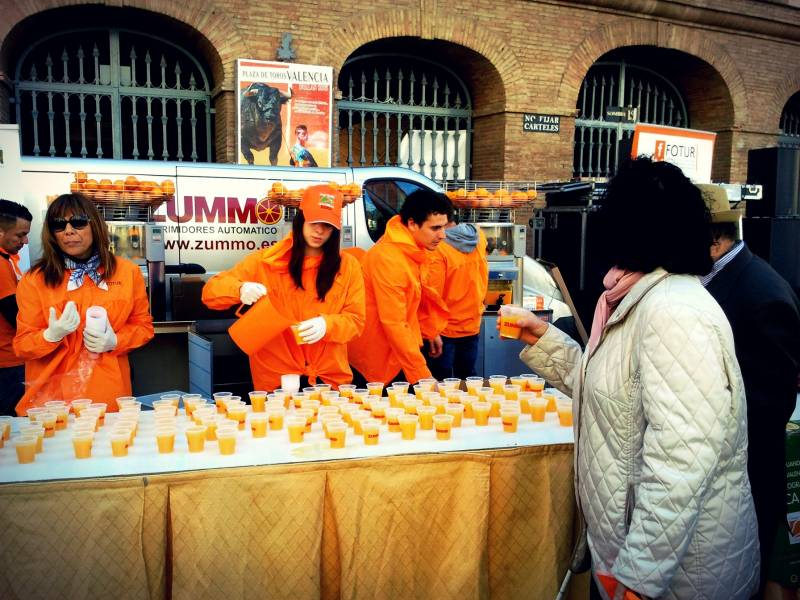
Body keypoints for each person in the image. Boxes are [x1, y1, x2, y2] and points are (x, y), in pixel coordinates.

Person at [501, 157, 759, 599]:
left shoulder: (674, 311)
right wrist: (545, 340)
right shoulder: (637, 296)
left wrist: (640, 574)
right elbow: (616, 399)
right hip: (631, 560)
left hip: (678, 578)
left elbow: (683, 458)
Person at [699, 184, 800, 597]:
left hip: (749, 475)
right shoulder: (723, 278)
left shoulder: (762, 292)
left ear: (715, 241)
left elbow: (770, 403)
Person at [202, 184, 365, 390]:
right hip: (277, 381)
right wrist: (239, 289)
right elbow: (210, 293)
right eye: (314, 221)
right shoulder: (266, 261)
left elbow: (356, 320)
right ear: (301, 219)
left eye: (327, 224)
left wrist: (328, 325)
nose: (319, 230)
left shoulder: (348, 266)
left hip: (328, 381)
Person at [13, 193, 154, 413]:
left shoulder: (128, 273)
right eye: (59, 225)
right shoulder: (34, 280)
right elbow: (21, 346)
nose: (69, 231)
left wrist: (116, 340)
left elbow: (143, 326)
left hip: (107, 398)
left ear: (94, 225)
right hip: (51, 403)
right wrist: (49, 336)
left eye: (78, 222)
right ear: (52, 233)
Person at [348, 189, 452, 385]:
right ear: (412, 224)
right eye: (435, 228)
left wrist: (429, 330)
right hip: (376, 358)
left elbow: (415, 298)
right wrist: (422, 376)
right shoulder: (390, 258)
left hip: (397, 350)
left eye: (444, 227)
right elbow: (394, 322)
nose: (443, 235)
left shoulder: (413, 248)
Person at [425, 216, 488, 379]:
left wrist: (431, 329)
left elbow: (433, 294)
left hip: (445, 328)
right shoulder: (478, 236)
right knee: (467, 380)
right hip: (472, 322)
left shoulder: (438, 248)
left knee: (441, 384)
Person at [0, 200, 32, 416]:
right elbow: (14, 313)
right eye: (20, 235)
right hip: (8, 360)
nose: (25, 240)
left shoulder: (8, 258)